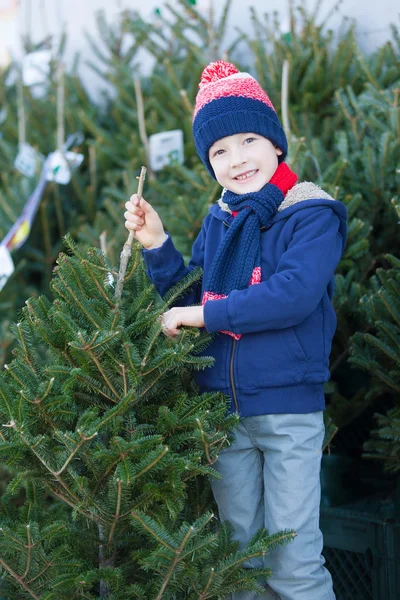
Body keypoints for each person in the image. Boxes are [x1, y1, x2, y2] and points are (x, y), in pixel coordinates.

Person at [124, 60, 347, 600]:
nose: (237, 158)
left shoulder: (309, 214)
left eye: (248, 139)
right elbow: (190, 299)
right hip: (222, 412)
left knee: (292, 560)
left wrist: (202, 315)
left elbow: (291, 297)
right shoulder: (220, 220)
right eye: (219, 150)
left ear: (275, 144)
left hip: (286, 410)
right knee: (238, 560)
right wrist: (157, 244)